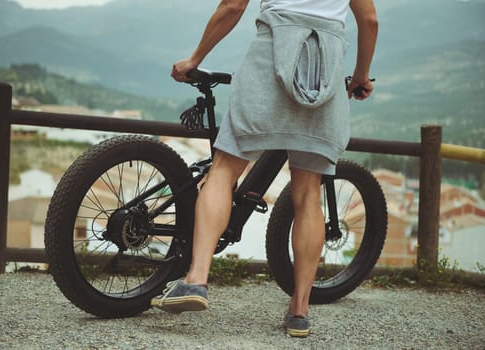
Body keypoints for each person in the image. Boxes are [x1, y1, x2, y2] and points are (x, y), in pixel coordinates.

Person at [151, 0, 378, 338]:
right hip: (325, 71)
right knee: (307, 192)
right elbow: (369, 20)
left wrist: (195, 59)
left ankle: (197, 279)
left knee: (224, 169)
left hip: (269, 59)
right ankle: (299, 310)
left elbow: (231, 6)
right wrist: (360, 76)